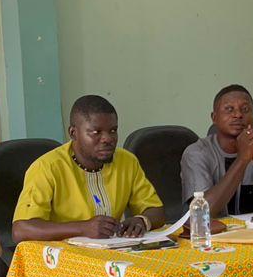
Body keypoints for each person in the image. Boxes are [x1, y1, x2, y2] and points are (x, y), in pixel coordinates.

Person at [12, 95, 167, 243]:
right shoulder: (47, 168)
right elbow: (21, 230)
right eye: (96, 132)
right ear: (73, 133)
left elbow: (156, 210)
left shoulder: (127, 161)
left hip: (113, 254)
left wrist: (142, 220)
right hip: (60, 258)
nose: (107, 139)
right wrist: (82, 228)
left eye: (113, 130)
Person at [181, 84, 253, 215]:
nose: (238, 114)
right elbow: (202, 213)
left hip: (252, 228)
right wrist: (242, 159)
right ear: (214, 117)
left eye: (245, 109)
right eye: (229, 109)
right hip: (212, 231)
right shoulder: (196, 153)